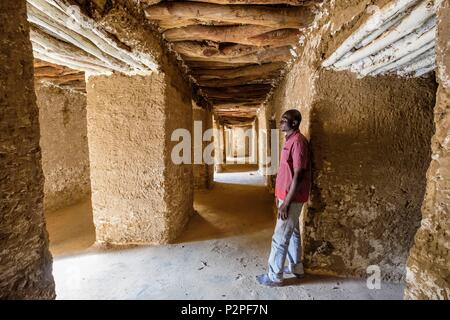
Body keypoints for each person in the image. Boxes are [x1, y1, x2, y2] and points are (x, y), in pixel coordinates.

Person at [256, 109, 311, 287]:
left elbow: (299, 174)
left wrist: (286, 203)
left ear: (294, 123)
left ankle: (274, 276)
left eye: (284, 120)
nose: (281, 122)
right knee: (293, 233)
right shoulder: (290, 140)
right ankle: (297, 268)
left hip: (292, 199)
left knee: (280, 237)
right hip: (286, 196)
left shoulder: (298, 142)